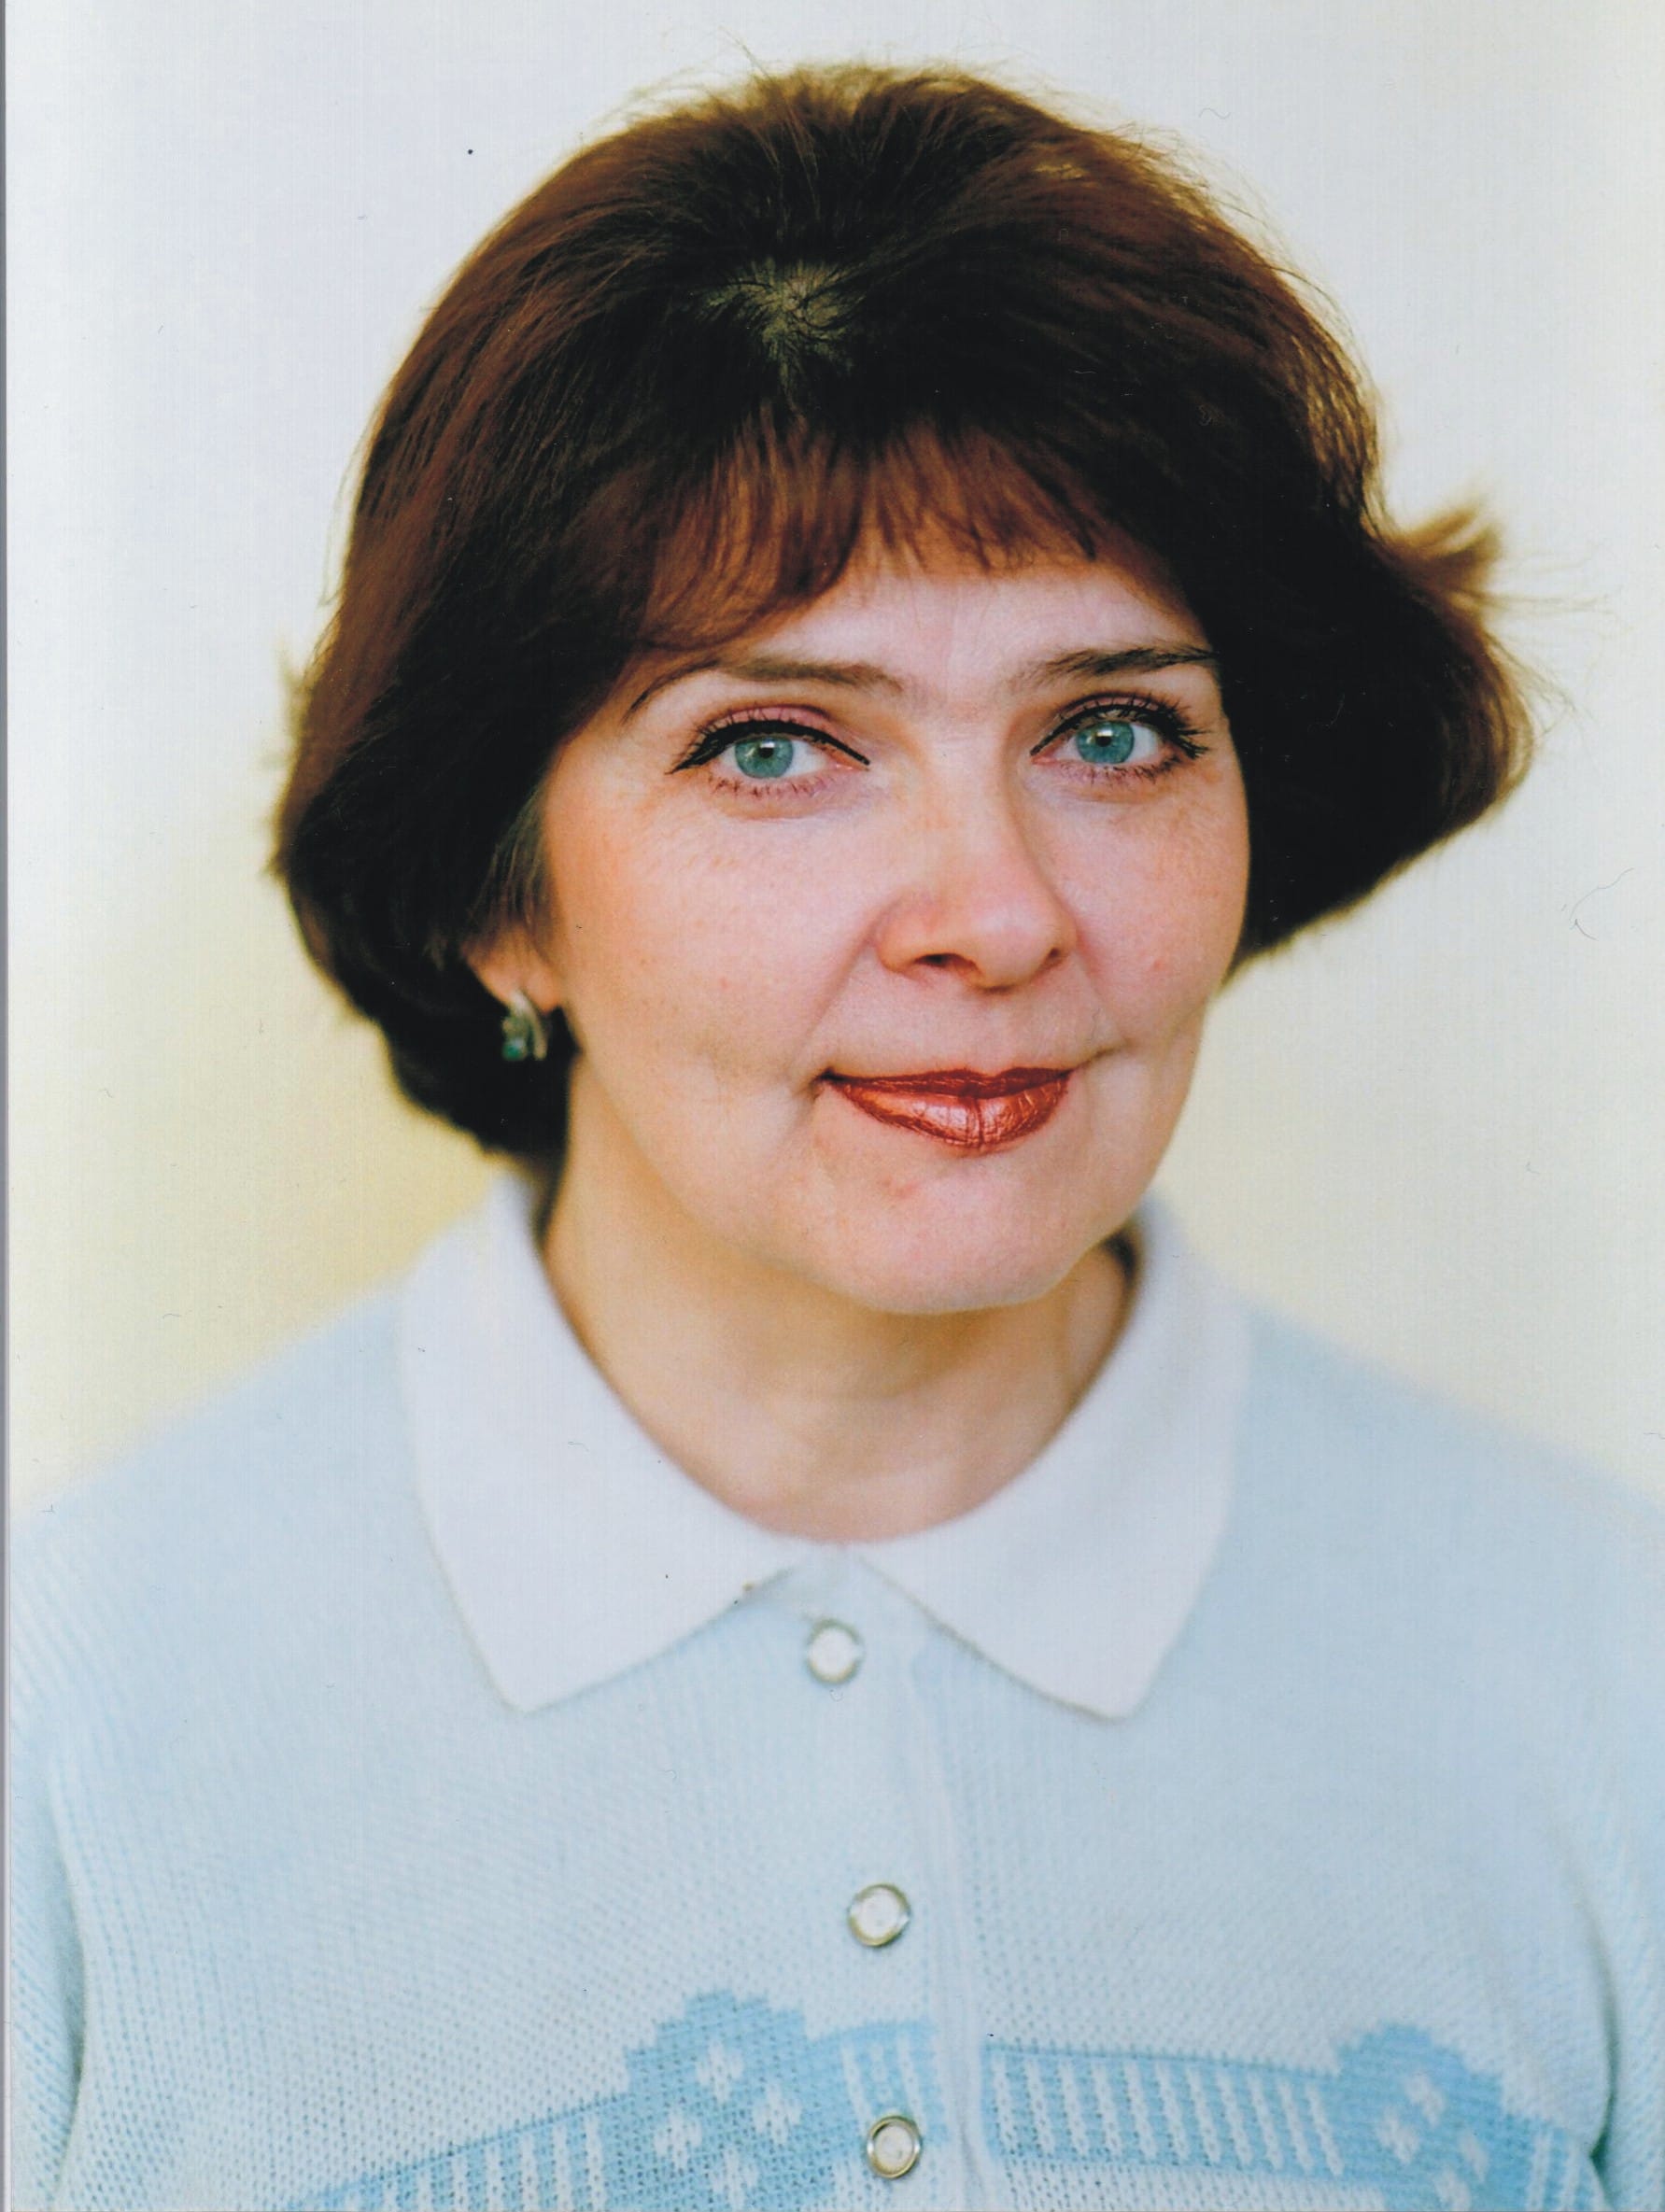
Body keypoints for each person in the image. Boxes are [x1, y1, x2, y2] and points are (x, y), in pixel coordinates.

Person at [13, 63, 1662, 2212]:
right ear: (498, 891)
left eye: (1111, 731)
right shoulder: (73, 1728)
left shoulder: (1603, 1676)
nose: (995, 912)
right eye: (777, 746)